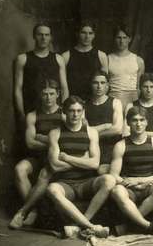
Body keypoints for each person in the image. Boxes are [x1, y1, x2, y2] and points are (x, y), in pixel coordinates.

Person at [46, 96, 116, 236]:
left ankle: (79, 225)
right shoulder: (55, 133)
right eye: (71, 111)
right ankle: (90, 226)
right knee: (52, 189)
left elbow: (95, 164)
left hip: (86, 183)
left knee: (109, 180)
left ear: (83, 112)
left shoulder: (91, 132)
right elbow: (55, 166)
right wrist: (83, 160)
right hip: (65, 183)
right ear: (65, 112)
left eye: (79, 111)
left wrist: (67, 158)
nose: (75, 114)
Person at [9, 80, 64, 229]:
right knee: (20, 169)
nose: (48, 98)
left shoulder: (64, 114)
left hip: (55, 159)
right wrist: (52, 142)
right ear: (40, 95)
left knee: (44, 174)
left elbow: (65, 142)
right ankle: (33, 210)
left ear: (58, 94)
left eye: (51, 94)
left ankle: (23, 212)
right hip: (37, 157)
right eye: (45, 94)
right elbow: (30, 143)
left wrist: (42, 137)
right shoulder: (32, 115)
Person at [109, 106, 153, 235]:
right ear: (128, 123)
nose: (138, 124)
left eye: (142, 120)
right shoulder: (120, 145)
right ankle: (146, 226)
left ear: (147, 122)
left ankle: (129, 225)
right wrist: (128, 183)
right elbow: (114, 175)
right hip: (128, 186)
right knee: (116, 191)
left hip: (148, 184)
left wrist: (141, 181)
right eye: (134, 120)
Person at [14, 23, 68, 122]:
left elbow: (64, 88)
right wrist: (21, 113)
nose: (43, 38)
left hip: (53, 110)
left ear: (50, 37)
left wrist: (63, 110)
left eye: (47, 35)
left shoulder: (58, 59)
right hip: (31, 108)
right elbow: (18, 89)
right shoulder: (22, 59)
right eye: (40, 34)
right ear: (34, 36)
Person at [85, 71, 123, 175]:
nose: (99, 86)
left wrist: (93, 133)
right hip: (92, 147)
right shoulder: (84, 105)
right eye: (95, 83)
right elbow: (84, 130)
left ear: (107, 85)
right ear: (91, 85)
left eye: (102, 83)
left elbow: (118, 129)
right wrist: (105, 126)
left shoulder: (115, 102)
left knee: (103, 171)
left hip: (112, 147)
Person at [62, 21, 108, 100]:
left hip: (94, 101)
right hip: (73, 101)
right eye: (83, 33)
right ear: (77, 34)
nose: (87, 36)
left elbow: (105, 84)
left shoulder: (101, 55)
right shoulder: (66, 56)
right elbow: (63, 85)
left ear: (94, 35)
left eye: (90, 33)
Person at [108, 25, 145, 109]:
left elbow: (139, 87)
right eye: (119, 37)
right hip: (113, 98)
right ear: (114, 39)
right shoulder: (108, 59)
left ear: (129, 39)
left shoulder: (138, 60)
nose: (121, 41)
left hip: (132, 99)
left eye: (124, 38)